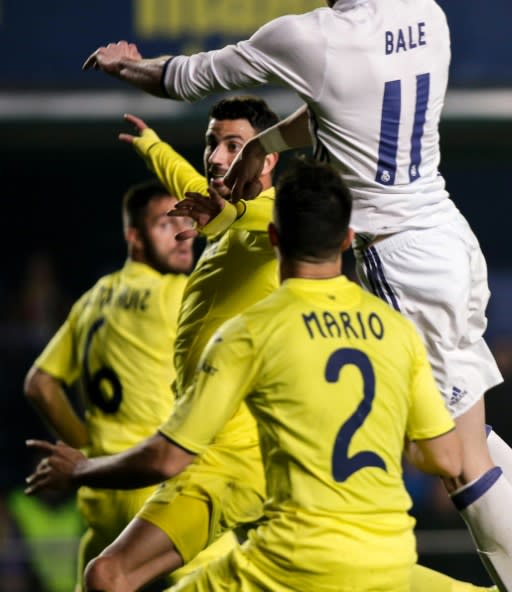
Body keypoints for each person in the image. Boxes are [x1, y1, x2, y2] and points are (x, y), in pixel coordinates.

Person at [81, 0, 512, 591]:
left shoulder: (308, 37)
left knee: (452, 459)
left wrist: (130, 66)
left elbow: (191, 77)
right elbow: (345, 112)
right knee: (469, 445)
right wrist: (265, 148)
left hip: (398, 258)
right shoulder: (428, 15)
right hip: (447, 237)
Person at [24, 156, 466, 592]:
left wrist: (82, 467)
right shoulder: (395, 330)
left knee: (107, 576)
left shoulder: (250, 331)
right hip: (387, 555)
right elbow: (444, 458)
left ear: (273, 237)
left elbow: (165, 456)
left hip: (288, 559)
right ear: (348, 239)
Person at [23, 179, 194, 590]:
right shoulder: (182, 293)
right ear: (134, 237)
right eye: (165, 224)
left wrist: (88, 449)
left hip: (100, 489)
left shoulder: (93, 298)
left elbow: (40, 384)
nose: (183, 232)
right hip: (156, 486)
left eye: (187, 220)